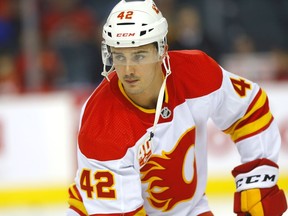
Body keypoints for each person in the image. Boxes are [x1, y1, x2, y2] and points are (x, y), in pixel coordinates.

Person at [67, 0, 287, 215]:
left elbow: (248, 109)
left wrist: (258, 177)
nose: (127, 70)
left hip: (189, 208)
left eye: (139, 55)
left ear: (161, 50)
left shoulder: (197, 73)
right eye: (119, 56)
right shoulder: (102, 126)